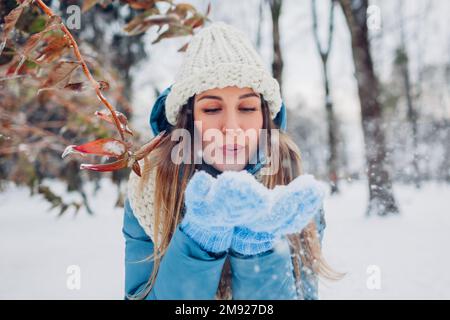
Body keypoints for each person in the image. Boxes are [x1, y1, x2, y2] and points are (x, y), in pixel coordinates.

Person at [123, 21, 336, 300]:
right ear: (189, 119)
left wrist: (257, 246)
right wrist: (200, 240)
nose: (232, 127)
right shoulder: (148, 185)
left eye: (247, 107)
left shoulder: (290, 183)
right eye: (212, 108)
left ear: (264, 117)